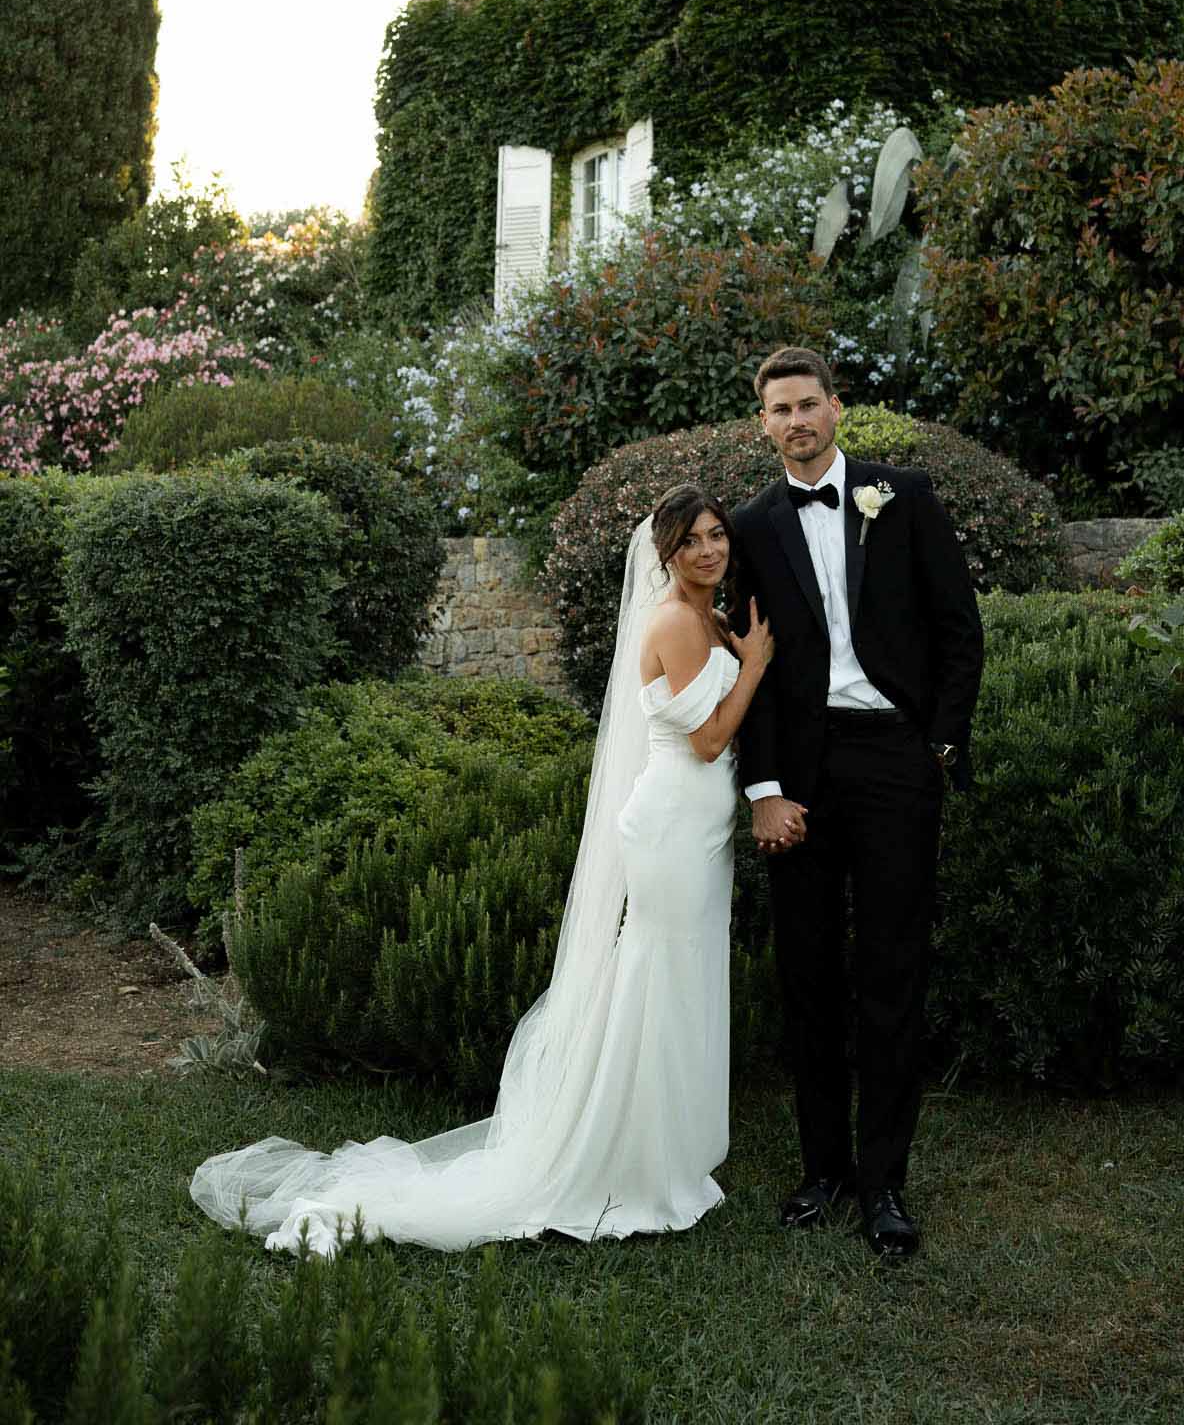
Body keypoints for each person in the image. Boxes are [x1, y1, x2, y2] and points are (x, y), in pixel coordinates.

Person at [189, 486, 773, 1257]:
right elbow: (704, 743)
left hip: (696, 824)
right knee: (657, 975)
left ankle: (662, 1145)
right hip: (673, 821)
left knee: (678, 971)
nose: (709, 549)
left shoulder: (705, 615)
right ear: (664, 552)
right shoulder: (674, 619)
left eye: (716, 535)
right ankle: (629, 1157)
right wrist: (755, 666)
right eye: (692, 540)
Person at [729, 346, 984, 1259]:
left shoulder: (900, 495)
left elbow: (959, 629)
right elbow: (746, 672)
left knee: (889, 975)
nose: (794, 422)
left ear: (836, 410)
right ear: (762, 425)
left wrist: (938, 748)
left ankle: (885, 1184)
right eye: (778, 411)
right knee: (806, 976)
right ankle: (822, 1170)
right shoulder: (751, 527)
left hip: (892, 764)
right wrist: (761, 789)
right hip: (797, 780)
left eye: (807, 405)